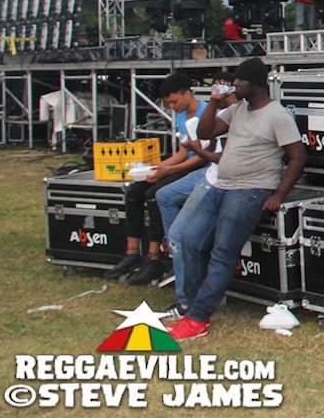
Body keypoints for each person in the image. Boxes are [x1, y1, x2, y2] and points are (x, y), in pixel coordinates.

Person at [168, 58, 307, 341]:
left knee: (222, 253)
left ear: (255, 84)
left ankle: (197, 318)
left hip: (251, 189)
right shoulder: (237, 109)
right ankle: (192, 307)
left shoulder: (277, 115)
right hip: (221, 185)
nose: (235, 84)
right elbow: (206, 133)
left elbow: (298, 157)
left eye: (240, 81)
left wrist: (279, 194)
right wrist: (213, 101)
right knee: (190, 240)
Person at [104, 73, 209, 286]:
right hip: (181, 165)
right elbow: (183, 151)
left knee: (154, 195)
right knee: (134, 191)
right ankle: (132, 251)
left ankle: (155, 257)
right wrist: (159, 166)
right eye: (168, 103)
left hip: (200, 168)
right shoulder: (181, 116)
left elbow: (201, 157)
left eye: (174, 101)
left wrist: (168, 170)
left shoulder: (205, 113)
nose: (172, 106)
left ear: (187, 93)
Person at [156, 72, 235, 321]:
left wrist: (174, 165)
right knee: (177, 227)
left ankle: (191, 299)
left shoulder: (238, 114)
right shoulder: (216, 113)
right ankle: (186, 285)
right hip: (212, 176)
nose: (172, 107)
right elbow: (210, 149)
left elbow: (213, 156)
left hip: (222, 180)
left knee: (186, 237)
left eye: (223, 91)